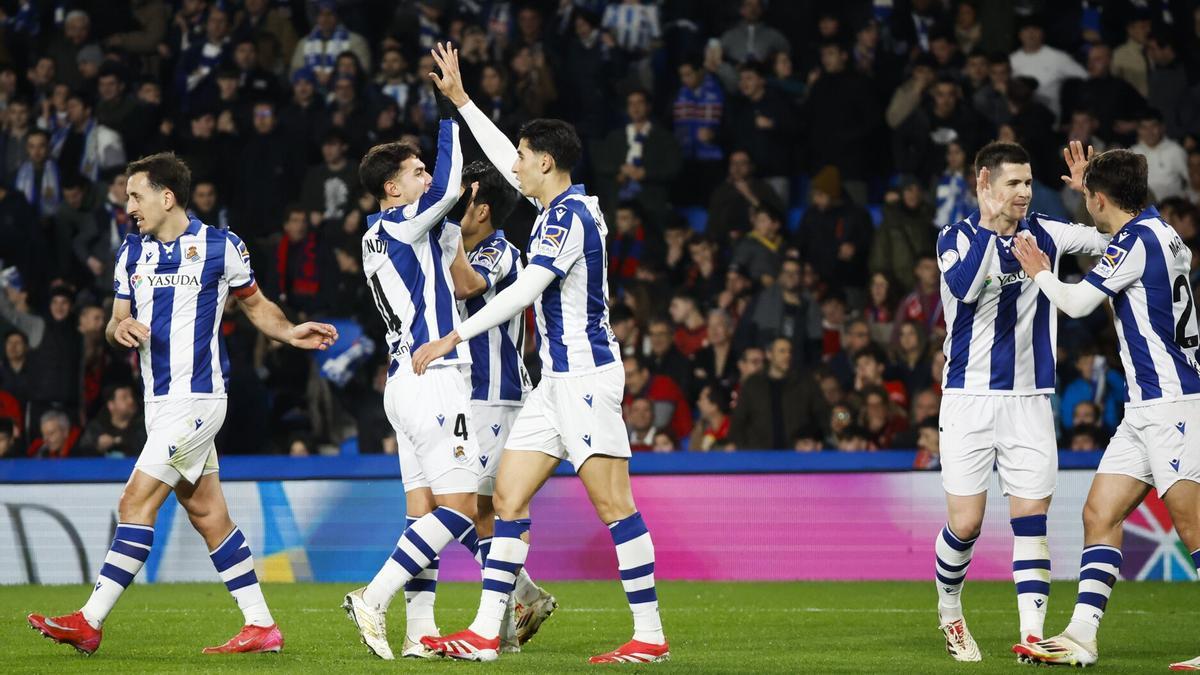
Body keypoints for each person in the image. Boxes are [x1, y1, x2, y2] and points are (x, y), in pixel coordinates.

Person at [410, 43, 669, 664]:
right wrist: (463, 102)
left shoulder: (568, 218)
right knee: (506, 501)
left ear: (546, 162)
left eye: (526, 158)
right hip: (553, 383)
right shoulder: (556, 205)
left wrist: (456, 334)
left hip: (585, 378)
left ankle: (651, 635)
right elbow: (503, 155)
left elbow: (527, 288)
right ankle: (483, 633)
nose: (514, 168)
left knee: (614, 506)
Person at [27, 152, 338, 655]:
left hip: (198, 399)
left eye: (136, 195)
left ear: (166, 196)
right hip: (160, 402)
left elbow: (256, 304)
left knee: (134, 502)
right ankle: (261, 626)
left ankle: (89, 621)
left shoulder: (221, 246)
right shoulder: (132, 253)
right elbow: (114, 321)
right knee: (208, 513)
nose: (128, 205)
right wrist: (117, 329)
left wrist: (289, 332)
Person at [1010, 149, 1200, 670]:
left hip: (1173, 405)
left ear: (1100, 198)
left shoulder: (1135, 241)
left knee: (1194, 528)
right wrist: (1090, 192)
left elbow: (1074, 304)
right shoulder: (1157, 231)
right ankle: (1080, 635)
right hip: (1146, 408)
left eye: (1090, 196)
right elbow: (1118, 225)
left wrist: (1042, 271)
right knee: (1100, 512)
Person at [932, 140, 1111, 662]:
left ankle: (1032, 637)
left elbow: (1114, 239)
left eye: (1030, 182)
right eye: (1014, 183)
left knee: (1031, 518)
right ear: (984, 183)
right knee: (965, 524)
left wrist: (1091, 194)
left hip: (1031, 399)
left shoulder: (1049, 232)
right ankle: (950, 613)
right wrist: (992, 231)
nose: (1025, 192)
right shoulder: (954, 239)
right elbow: (964, 291)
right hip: (968, 398)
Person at [340, 86, 485, 662]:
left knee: (423, 515)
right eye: (417, 170)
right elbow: (447, 190)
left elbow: (464, 277)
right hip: (436, 376)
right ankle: (372, 597)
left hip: (404, 383)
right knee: (459, 509)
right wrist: (452, 111)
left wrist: (464, 197)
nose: (429, 176)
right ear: (392, 188)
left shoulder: (394, 234)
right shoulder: (401, 224)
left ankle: (420, 632)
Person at [445, 160, 555, 650]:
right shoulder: (460, 250)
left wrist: (441, 233)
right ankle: (524, 596)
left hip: (497, 392)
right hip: (466, 392)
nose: (450, 210)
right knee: (476, 508)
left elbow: (466, 287)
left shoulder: (501, 253)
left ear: (482, 210)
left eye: (459, 202)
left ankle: (503, 621)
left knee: (488, 505)